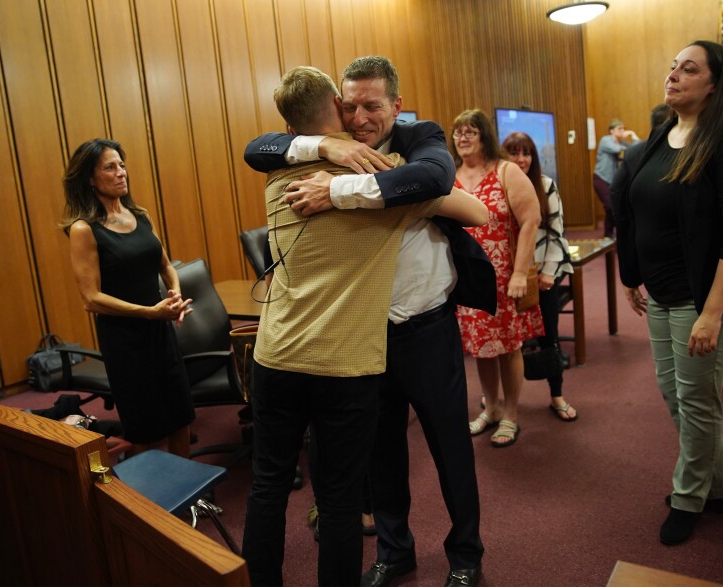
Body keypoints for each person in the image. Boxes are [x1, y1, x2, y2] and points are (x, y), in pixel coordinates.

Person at [246, 57, 495, 587]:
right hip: (357, 341)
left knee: (450, 448)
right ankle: (393, 548)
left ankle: (465, 556)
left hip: (425, 329)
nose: (360, 117)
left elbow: (447, 188)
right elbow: (256, 147)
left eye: (372, 106)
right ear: (335, 106)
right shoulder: (311, 157)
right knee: (380, 455)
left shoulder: (414, 143)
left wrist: (337, 193)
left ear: (396, 106)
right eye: (349, 106)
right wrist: (327, 148)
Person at [613, 40, 723, 546]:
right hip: (661, 293)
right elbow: (636, 211)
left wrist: (712, 313)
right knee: (675, 394)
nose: (673, 74)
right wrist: (633, 275)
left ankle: (688, 495)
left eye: (689, 68)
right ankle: (721, 489)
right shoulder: (660, 138)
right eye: (672, 66)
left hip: (706, 298)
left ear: (715, 83)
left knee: (696, 399)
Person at [60, 138, 194, 458]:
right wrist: (148, 312)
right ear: (90, 179)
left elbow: (166, 266)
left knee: (181, 417)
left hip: (160, 328)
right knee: (144, 429)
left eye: (121, 164)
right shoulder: (84, 229)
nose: (121, 172)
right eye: (110, 167)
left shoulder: (140, 216)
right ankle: (147, 505)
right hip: (125, 339)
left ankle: (190, 493)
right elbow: (90, 299)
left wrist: (174, 293)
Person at [451, 109, 544, 448]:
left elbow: (531, 220)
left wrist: (520, 272)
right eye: (458, 132)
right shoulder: (451, 175)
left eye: (470, 131)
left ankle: (512, 415)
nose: (462, 137)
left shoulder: (506, 171)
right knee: (482, 349)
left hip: (506, 276)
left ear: (484, 136)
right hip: (467, 280)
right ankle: (491, 408)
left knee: (508, 346)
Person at [502, 131, 577, 422]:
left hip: (541, 275)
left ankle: (556, 395)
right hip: (507, 277)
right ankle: (501, 399)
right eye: (514, 153)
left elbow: (557, 234)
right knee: (506, 342)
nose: (521, 160)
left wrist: (548, 273)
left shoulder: (545, 186)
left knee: (549, 337)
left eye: (526, 154)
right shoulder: (497, 186)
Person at [593, 118, 640, 237]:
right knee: (610, 206)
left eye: (623, 128)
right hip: (601, 179)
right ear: (611, 131)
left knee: (613, 207)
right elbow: (617, 150)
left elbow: (638, 149)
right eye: (619, 129)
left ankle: (608, 234)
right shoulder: (605, 140)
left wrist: (633, 135)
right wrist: (629, 145)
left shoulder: (622, 143)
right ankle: (617, 234)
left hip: (613, 181)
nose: (623, 131)